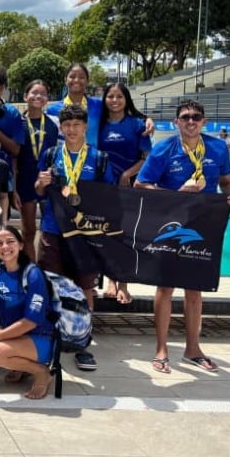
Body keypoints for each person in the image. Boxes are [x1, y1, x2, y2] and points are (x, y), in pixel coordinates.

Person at [136, 99, 230, 375]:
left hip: (202, 225)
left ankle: (193, 348)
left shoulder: (218, 147)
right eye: (185, 117)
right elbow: (141, 185)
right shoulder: (164, 149)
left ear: (204, 121)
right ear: (176, 122)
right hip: (170, 224)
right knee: (165, 287)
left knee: (194, 288)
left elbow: (225, 181)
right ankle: (161, 349)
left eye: (196, 117)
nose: (190, 121)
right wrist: (175, 195)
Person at [35, 104, 114, 371]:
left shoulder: (100, 158)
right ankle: (48, 339)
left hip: (85, 233)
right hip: (53, 230)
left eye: (76, 125)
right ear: (62, 128)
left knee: (85, 288)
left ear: (85, 127)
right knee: (50, 285)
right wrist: (41, 183)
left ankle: (82, 344)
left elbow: (109, 197)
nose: (71, 130)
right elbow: (38, 191)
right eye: (67, 125)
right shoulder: (51, 154)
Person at [0, 225, 57, 400]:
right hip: (14, 336)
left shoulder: (33, 275)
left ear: (21, 245)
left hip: (40, 337)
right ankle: (20, 367)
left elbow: (30, 322)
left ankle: (42, 372)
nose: (5, 246)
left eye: (10, 241)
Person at [98, 81, 152, 306]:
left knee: (126, 236)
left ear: (126, 99)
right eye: (110, 96)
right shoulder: (98, 124)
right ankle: (111, 280)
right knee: (107, 234)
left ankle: (123, 284)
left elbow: (146, 157)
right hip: (103, 186)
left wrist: (127, 175)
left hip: (128, 187)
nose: (115, 101)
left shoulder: (137, 124)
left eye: (119, 96)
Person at [14, 80, 59, 261]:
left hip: (46, 182)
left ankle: (45, 266)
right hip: (25, 181)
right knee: (28, 231)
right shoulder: (19, 124)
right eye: (34, 93)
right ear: (25, 96)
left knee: (49, 230)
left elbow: (55, 156)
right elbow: (14, 158)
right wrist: (14, 188)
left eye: (43, 94)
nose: (38, 96)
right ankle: (30, 268)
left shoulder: (52, 126)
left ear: (47, 99)